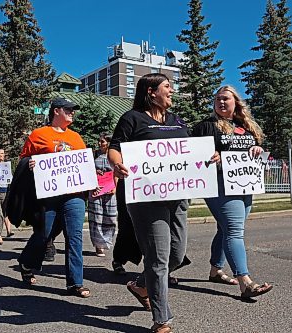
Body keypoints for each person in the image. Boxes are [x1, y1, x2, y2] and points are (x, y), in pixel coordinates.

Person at [108, 73, 189, 333]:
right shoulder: (132, 118)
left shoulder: (177, 121)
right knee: (158, 258)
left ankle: (141, 284)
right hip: (146, 198)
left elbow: (190, 149)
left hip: (177, 195)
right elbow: (115, 147)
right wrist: (116, 163)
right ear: (151, 92)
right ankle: (161, 319)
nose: (172, 91)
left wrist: (208, 156)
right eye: (168, 87)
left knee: (176, 254)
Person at [192, 85, 273, 299]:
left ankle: (215, 270)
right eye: (218, 99)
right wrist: (211, 156)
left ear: (236, 101)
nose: (221, 102)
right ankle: (245, 282)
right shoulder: (206, 126)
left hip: (245, 184)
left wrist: (257, 150)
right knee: (235, 230)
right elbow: (193, 155)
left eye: (226, 99)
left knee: (225, 229)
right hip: (219, 185)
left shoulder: (246, 126)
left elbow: (255, 149)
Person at [17, 97, 90, 298]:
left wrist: (91, 181)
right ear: (56, 111)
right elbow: (23, 160)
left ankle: (75, 283)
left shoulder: (76, 137)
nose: (72, 112)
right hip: (48, 194)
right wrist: (30, 163)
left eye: (73, 110)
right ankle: (26, 262)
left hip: (73, 195)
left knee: (74, 237)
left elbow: (82, 165)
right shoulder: (39, 134)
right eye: (68, 109)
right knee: (44, 233)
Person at [88, 133, 118, 257]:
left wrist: (115, 187)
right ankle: (98, 246)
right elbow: (87, 170)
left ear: (109, 143)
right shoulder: (94, 155)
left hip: (110, 191)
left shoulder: (115, 155)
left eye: (102, 142)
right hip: (96, 191)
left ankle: (106, 241)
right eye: (99, 141)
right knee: (96, 218)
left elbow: (117, 172)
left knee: (110, 218)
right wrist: (94, 172)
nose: (100, 144)